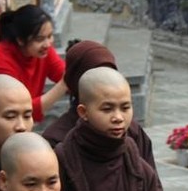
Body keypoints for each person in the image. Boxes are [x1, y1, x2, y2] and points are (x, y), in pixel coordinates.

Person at [43, 39, 154, 167]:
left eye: (109, 74)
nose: (118, 118)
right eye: (107, 109)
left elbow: (151, 183)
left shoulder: (133, 133)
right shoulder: (57, 141)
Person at [0, 4, 68, 122]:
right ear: (20, 40)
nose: (47, 44)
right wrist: (63, 84)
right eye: (39, 39)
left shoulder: (42, 50)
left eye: (50, 36)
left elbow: (62, 72)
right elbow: (21, 110)